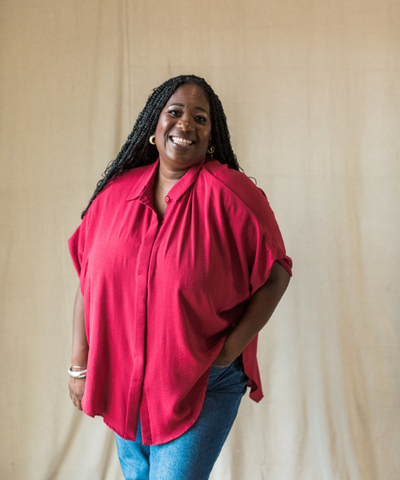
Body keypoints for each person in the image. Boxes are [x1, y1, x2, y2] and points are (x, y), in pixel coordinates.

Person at [68, 74, 292, 480]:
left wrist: (228, 351)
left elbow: (277, 274)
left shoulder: (232, 194)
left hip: (199, 381)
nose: (186, 124)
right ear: (154, 127)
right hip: (125, 380)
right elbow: (88, 282)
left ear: (211, 135)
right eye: (174, 112)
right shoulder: (114, 196)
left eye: (200, 118)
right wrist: (79, 365)